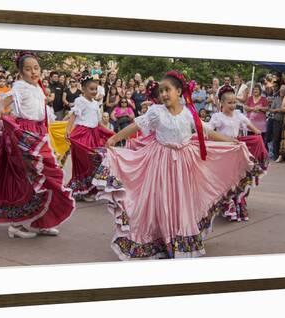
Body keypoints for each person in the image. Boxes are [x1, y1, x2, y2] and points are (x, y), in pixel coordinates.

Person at [96, 71, 256, 260]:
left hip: (185, 163)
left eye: (167, 90)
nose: (163, 94)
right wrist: (115, 138)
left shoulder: (188, 113)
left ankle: (179, 237)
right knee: (161, 199)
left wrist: (230, 141)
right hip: (161, 162)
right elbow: (137, 125)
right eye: (161, 91)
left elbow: (206, 132)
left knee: (182, 199)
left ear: (179, 91)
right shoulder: (156, 111)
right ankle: (162, 238)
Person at [0, 51, 75, 239]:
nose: (33, 72)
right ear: (21, 73)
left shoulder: (38, 88)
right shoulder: (19, 87)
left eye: (36, 68)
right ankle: (16, 225)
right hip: (24, 135)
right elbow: (2, 105)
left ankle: (42, 221)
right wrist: (2, 114)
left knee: (48, 176)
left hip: (39, 134)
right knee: (24, 178)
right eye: (28, 69)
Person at [208, 86, 268, 221]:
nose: (233, 105)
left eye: (234, 102)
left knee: (238, 179)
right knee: (226, 181)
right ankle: (228, 207)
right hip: (223, 152)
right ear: (221, 103)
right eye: (229, 103)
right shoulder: (217, 117)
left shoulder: (238, 115)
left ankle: (239, 204)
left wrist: (256, 132)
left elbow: (248, 124)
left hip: (237, 152)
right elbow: (209, 131)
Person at [65, 73, 115, 201]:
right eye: (91, 89)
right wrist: (68, 130)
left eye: (95, 89)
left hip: (94, 134)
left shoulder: (95, 103)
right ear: (83, 89)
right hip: (82, 134)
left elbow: (97, 122)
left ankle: (91, 188)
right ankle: (83, 190)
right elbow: (73, 116)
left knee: (97, 159)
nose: (94, 91)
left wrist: (108, 132)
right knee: (86, 161)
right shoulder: (80, 101)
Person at [268, 84, 285, 160]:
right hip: (276, 120)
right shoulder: (276, 99)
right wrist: (277, 110)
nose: (282, 91)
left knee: (284, 138)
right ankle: (276, 155)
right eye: (281, 90)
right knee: (276, 138)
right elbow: (271, 109)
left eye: (284, 90)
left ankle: (283, 156)